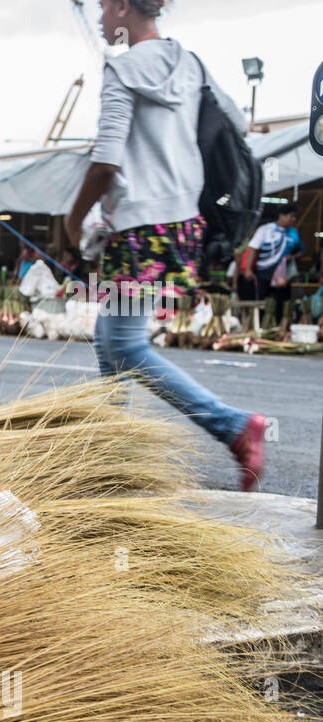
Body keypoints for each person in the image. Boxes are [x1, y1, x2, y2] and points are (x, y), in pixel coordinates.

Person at [65, 0, 266, 491]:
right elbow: (236, 122)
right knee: (111, 343)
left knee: (127, 346)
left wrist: (71, 221)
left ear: (119, 5)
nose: (97, 17)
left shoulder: (123, 68)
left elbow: (106, 160)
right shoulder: (190, 64)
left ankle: (234, 425)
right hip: (179, 227)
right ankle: (113, 458)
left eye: (100, 7)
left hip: (140, 235)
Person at [245, 203, 303, 324]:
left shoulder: (294, 233)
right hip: (264, 273)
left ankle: (279, 326)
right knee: (262, 302)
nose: (293, 219)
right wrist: (248, 269)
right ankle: (259, 326)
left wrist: (291, 257)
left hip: (283, 275)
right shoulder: (265, 229)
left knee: (282, 303)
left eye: (294, 217)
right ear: (282, 215)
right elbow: (253, 249)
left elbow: (300, 252)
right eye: (291, 216)